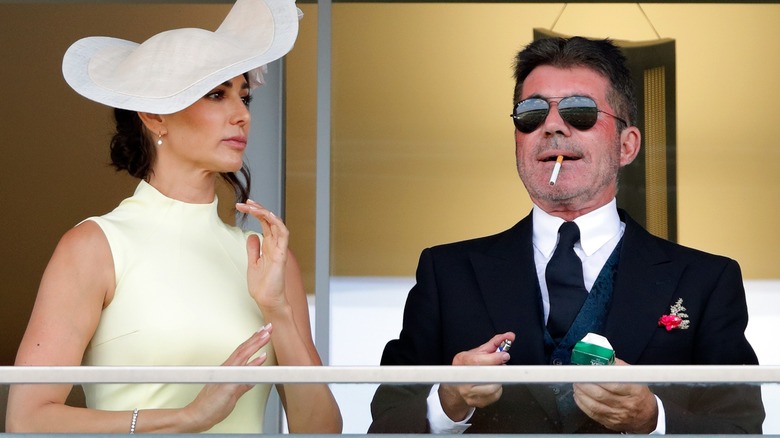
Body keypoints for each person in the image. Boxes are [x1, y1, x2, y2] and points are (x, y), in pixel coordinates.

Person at [369, 36, 764, 434]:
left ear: (627, 146)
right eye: (531, 113)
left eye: (579, 111)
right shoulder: (447, 273)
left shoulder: (706, 281)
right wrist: (448, 400)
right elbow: (385, 423)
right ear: (517, 140)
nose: (552, 126)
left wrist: (652, 418)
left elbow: (741, 428)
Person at [6, 0, 342, 434]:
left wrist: (276, 308)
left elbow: (322, 431)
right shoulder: (95, 247)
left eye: (244, 95)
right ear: (154, 115)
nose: (241, 114)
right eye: (216, 94)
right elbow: (27, 419)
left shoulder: (264, 260)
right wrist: (189, 417)